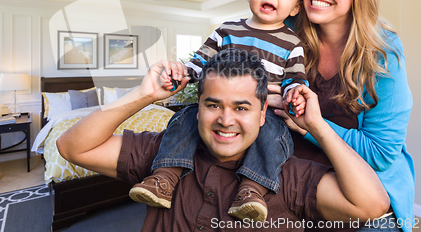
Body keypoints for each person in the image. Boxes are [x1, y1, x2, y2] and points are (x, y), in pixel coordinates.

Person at [56, 49, 390, 232]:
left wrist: (316, 126)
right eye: (213, 105)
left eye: (241, 108)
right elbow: (72, 146)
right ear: (196, 108)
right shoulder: (164, 156)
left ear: (262, 114)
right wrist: (144, 95)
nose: (225, 120)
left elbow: (371, 205)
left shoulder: (285, 175)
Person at [129, 0, 308, 222]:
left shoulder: (292, 43)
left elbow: (296, 79)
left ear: (295, 7)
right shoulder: (227, 30)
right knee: (185, 117)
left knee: (274, 133)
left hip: (263, 111)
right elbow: (199, 63)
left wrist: (295, 93)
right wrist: (181, 74)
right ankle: (164, 178)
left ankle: (252, 190)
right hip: (220, 104)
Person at [273, 0, 414, 232]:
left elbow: (380, 152)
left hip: (368, 190)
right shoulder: (285, 31)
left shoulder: (382, 50)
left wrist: (310, 125)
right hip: (298, 178)